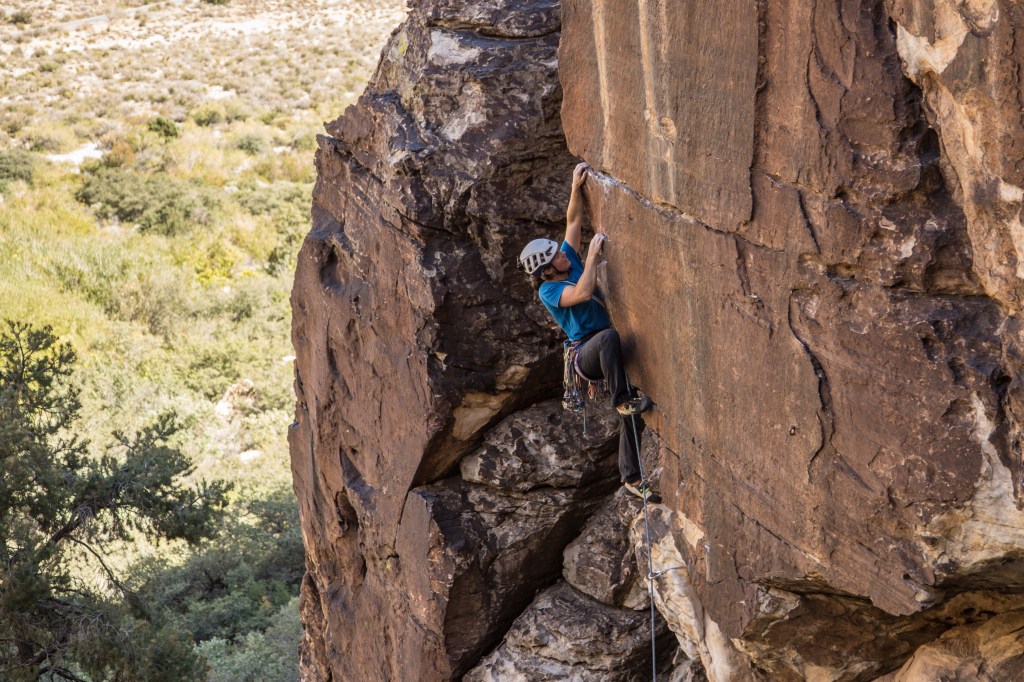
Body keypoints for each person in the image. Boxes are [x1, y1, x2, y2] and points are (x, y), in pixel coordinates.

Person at [518, 162, 660, 504]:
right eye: (556, 258)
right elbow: (581, 294)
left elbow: (573, 222)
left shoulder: (565, 257)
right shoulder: (549, 292)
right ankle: (621, 400)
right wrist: (593, 256)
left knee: (633, 403)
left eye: (559, 253)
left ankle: (631, 476)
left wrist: (574, 187)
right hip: (586, 354)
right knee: (613, 354)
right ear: (547, 271)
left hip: (605, 345)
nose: (564, 255)